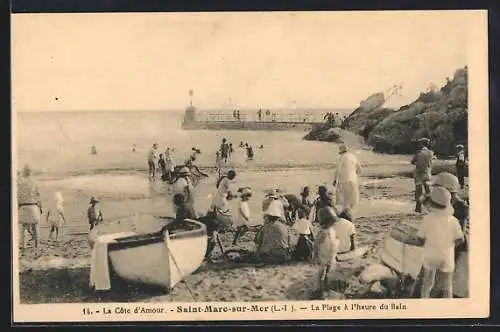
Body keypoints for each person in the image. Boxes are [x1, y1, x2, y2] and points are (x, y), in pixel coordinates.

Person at [417, 187, 465, 298]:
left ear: (432, 204)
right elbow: (460, 239)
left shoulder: (427, 219)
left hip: (431, 254)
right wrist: (450, 244)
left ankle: (424, 302)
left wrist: (428, 242)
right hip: (446, 254)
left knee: (427, 283)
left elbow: (420, 238)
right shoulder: (453, 220)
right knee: (447, 284)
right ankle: (448, 306)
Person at [312, 206, 339, 299]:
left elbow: (334, 240)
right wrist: (315, 255)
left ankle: (326, 286)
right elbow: (316, 244)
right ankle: (320, 289)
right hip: (323, 255)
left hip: (330, 254)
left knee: (328, 271)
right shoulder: (323, 232)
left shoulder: (332, 230)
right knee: (321, 272)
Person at [254, 200, 293, 264]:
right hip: (283, 256)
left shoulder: (265, 228)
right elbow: (290, 243)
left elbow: (257, 241)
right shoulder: (285, 227)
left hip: (268, 256)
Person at [17, 165, 42, 253]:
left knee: (23, 228)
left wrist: (18, 207)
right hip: (33, 206)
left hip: (23, 206)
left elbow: (18, 197)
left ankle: (23, 246)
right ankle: (36, 245)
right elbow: (38, 196)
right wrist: (40, 207)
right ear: (31, 172)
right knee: (35, 227)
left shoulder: (19, 182)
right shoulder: (34, 182)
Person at [333, 143, 362, 220]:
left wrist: (335, 180)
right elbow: (360, 170)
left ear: (341, 151)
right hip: (353, 181)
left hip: (343, 181)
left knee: (343, 201)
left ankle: (344, 216)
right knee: (352, 200)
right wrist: (355, 176)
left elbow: (338, 170)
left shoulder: (342, 157)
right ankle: (351, 216)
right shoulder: (353, 156)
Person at [411, 138, 434, 213]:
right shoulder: (431, 152)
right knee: (428, 190)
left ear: (422, 144)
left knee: (418, 190)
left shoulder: (419, 152)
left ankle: (418, 207)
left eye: (420, 143)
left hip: (419, 173)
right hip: (427, 173)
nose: (419, 144)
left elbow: (412, 161)